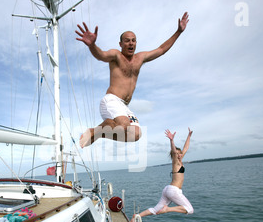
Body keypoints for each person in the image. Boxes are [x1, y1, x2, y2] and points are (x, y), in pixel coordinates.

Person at [75, 12, 189, 148]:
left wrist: (178, 32)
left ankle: (98, 132)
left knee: (135, 134)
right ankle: (98, 130)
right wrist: (92, 45)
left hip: (124, 106)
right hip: (111, 100)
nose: (131, 43)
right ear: (121, 44)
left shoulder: (140, 58)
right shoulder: (116, 55)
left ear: (136, 43)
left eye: (133, 40)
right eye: (127, 40)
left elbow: (161, 49)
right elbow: (101, 55)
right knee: (124, 126)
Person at [130, 128, 194, 222]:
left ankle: (137, 216)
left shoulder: (180, 160)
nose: (178, 155)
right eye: (176, 154)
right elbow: (173, 151)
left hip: (168, 189)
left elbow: (186, 147)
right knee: (189, 210)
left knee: (156, 210)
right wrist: (171, 140)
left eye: (179, 153)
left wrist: (189, 136)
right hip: (173, 190)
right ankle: (168, 209)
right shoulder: (176, 162)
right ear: (174, 155)